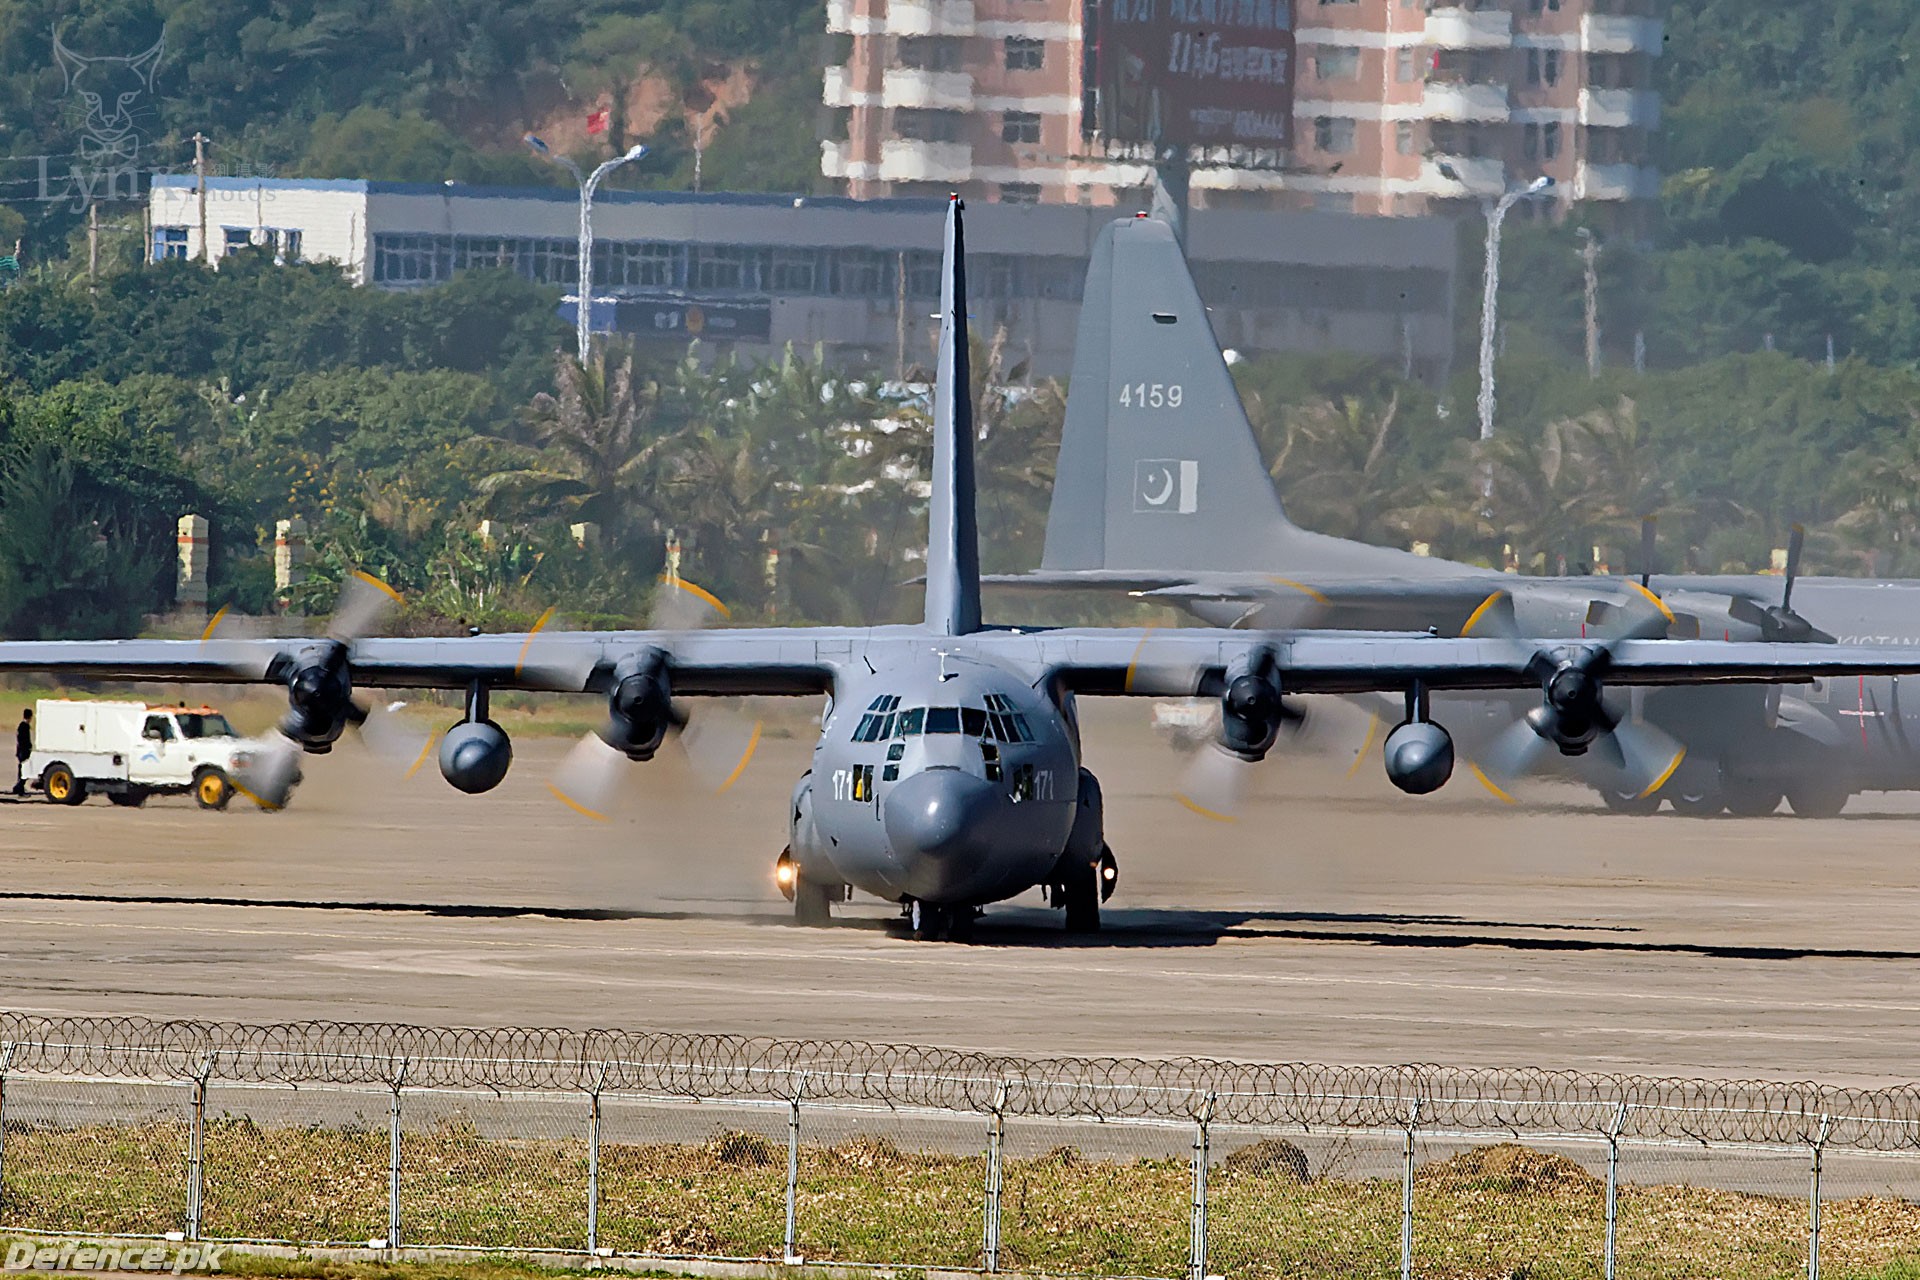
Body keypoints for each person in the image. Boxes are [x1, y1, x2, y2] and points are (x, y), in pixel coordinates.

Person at [13, 708, 30, 796]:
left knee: (22, 770)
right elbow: (24, 740)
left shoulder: (21, 725)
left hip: (20, 751)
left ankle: (18, 787)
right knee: (24, 771)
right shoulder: (25, 726)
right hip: (23, 751)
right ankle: (19, 788)